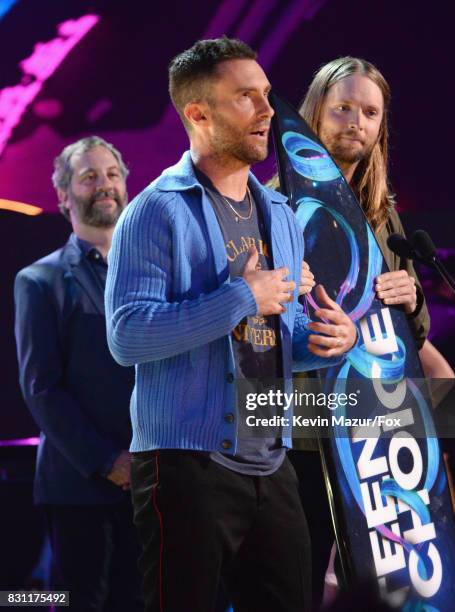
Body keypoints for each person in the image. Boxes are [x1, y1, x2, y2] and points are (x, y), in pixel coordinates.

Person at [105, 37, 357, 612]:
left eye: (266, 95)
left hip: (272, 458)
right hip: (184, 464)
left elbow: (279, 337)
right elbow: (128, 336)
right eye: (246, 97)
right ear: (198, 113)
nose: (268, 111)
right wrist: (241, 295)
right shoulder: (155, 210)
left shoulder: (281, 217)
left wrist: (331, 343)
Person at [274, 57, 455, 610]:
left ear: (381, 127)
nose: (356, 121)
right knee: (303, 575)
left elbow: (412, 332)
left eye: (370, 112)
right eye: (343, 108)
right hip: (302, 425)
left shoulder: (382, 211)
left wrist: (413, 296)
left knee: (377, 577)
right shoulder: (273, 201)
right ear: (314, 114)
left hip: (376, 422)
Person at [14, 136, 143, 611]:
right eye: (89, 177)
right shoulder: (38, 280)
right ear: (64, 195)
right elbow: (40, 388)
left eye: (112, 174)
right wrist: (110, 462)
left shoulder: (154, 273)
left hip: (151, 481)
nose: (104, 185)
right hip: (78, 486)